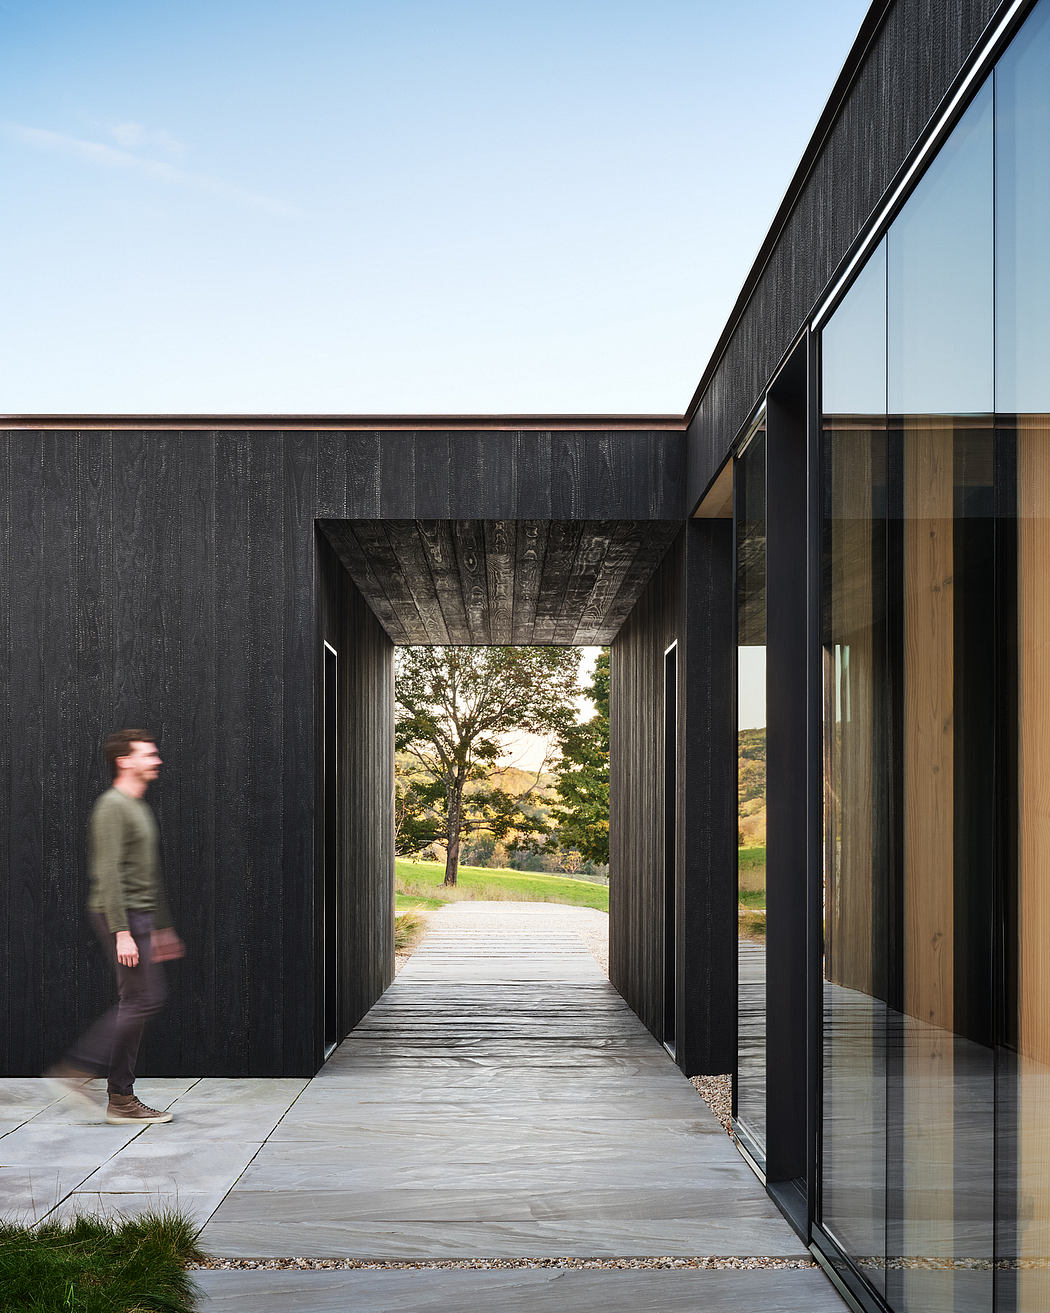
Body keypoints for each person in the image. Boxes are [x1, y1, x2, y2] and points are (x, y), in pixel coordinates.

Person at [47, 729, 184, 1124]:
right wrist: (122, 930)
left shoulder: (138, 805)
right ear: (125, 760)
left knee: (140, 1000)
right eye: (148, 754)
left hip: (138, 917)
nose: (156, 759)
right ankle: (85, 1075)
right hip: (117, 914)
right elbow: (107, 873)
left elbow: (146, 874)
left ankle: (119, 1097)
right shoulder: (112, 806)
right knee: (142, 999)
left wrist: (160, 928)